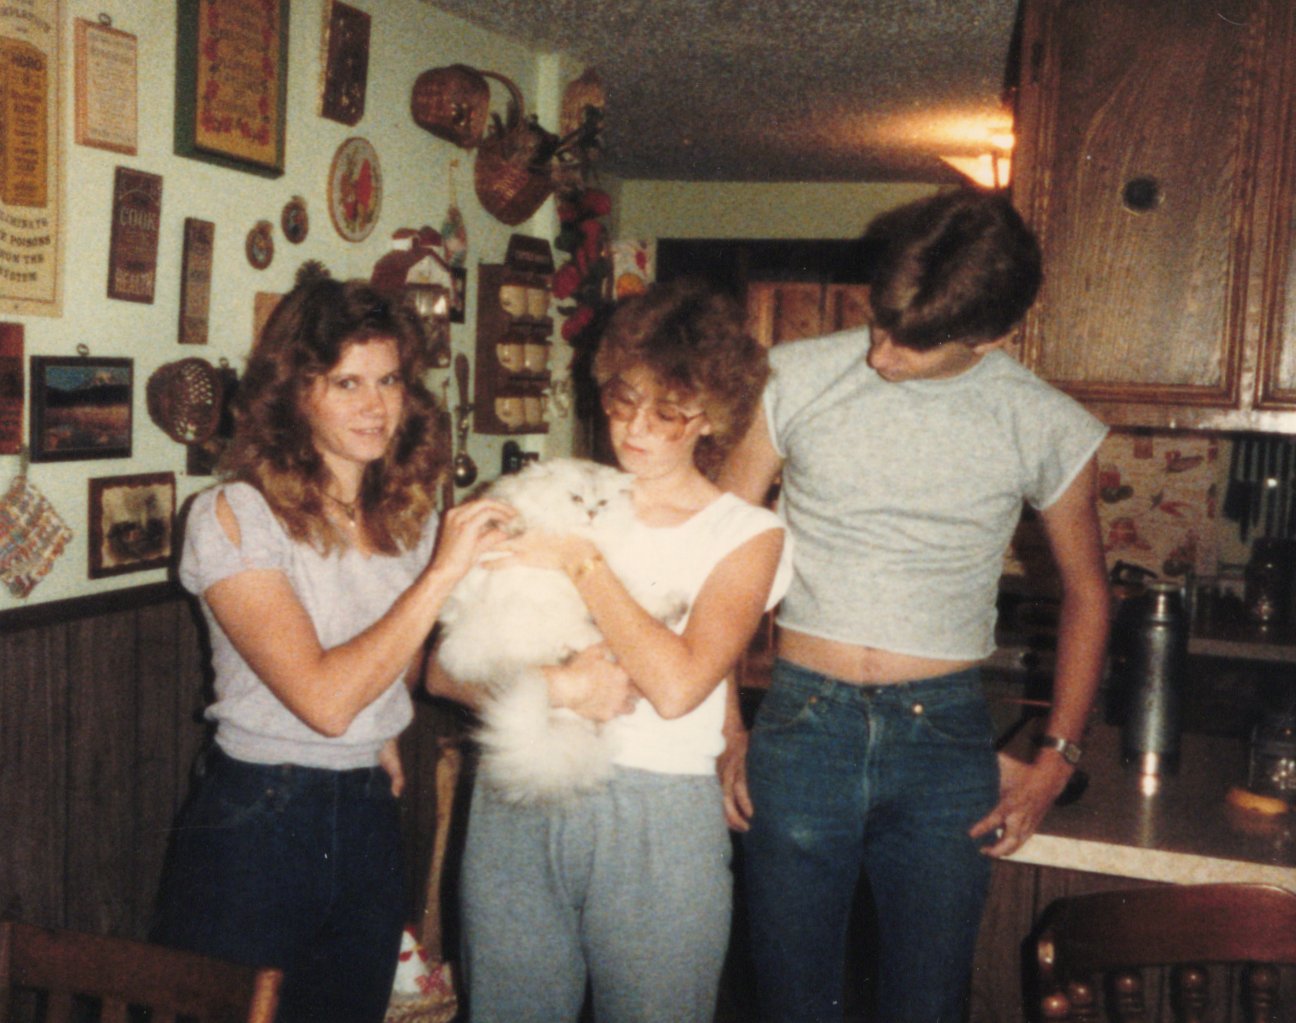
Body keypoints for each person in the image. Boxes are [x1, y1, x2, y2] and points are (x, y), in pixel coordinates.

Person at [718, 188, 1111, 1023]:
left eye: (912, 343)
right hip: (801, 726)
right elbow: (716, 555)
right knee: (789, 1003)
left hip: (944, 747)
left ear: (991, 337)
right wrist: (723, 727)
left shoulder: (1044, 422)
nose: (880, 356)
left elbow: (1087, 592)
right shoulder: (790, 376)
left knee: (927, 1006)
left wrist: (1057, 758)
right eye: (879, 322)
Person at [152, 277, 529, 1022]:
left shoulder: (405, 517)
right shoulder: (233, 513)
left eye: (389, 380)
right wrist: (443, 573)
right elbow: (325, 700)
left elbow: (405, 668)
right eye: (347, 383)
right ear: (295, 393)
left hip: (367, 808)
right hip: (259, 814)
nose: (376, 405)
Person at [427, 279, 794, 1023]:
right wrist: (556, 685)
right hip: (517, 788)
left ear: (711, 416)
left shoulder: (745, 535)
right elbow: (441, 672)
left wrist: (579, 561)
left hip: (657, 813)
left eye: (667, 412)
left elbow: (678, 687)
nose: (636, 429)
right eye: (624, 402)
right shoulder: (555, 490)